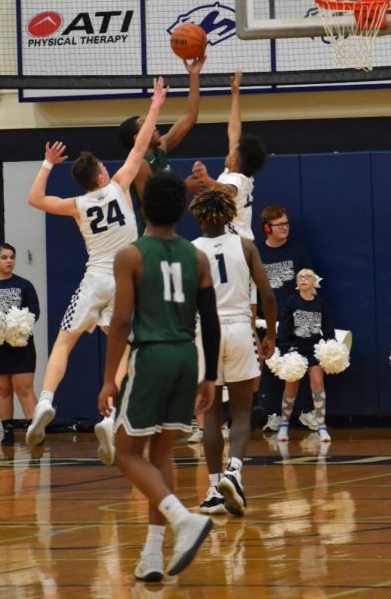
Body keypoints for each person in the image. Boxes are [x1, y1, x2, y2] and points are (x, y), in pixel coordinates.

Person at [25, 77, 168, 453]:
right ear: (102, 175)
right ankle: (109, 416)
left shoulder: (76, 206)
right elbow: (140, 143)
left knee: (64, 342)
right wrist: (155, 105)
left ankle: (45, 401)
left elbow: (35, 199)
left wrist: (46, 163)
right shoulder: (121, 184)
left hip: (95, 278)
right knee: (124, 350)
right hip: (127, 282)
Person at [98, 170, 221, 582]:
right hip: (188, 356)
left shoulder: (131, 255)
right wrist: (211, 376)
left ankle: (182, 519)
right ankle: (152, 555)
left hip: (150, 355)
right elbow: (212, 319)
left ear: (144, 207)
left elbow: (120, 320)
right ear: (180, 211)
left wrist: (108, 379)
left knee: (125, 451)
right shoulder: (197, 256)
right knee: (162, 452)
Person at [189, 189, 277, 517]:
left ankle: (214, 490)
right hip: (240, 328)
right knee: (241, 411)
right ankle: (234, 473)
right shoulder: (245, 246)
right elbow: (267, 293)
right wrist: (271, 333)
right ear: (229, 216)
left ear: (198, 217)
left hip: (204, 331)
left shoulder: (190, 249)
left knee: (209, 414)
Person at [118, 57, 205, 236]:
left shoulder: (161, 148)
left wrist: (194, 76)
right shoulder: (140, 165)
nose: (154, 126)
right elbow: (150, 206)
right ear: (138, 138)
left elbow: (190, 117)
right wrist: (183, 187)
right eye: (147, 125)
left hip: (167, 231)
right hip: (148, 235)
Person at [189, 71, 267, 239]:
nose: (231, 147)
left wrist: (207, 180)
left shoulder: (237, 180)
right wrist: (235, 94)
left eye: (233, 149)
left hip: (238, 242)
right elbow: (234, 131)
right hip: (236, 242)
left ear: (233, 160)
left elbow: (229, 191)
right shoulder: (236, 173)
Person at [257, 205, 315, 432]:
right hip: (266, 322)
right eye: (279, 225)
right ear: (266, 228)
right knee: (271, 371)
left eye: (286, 223)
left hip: (295, 319)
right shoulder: (257, 252)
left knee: (301, 365)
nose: (285, 228)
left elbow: (310, 280)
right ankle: (272, 414)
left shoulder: (297, 251)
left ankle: (305, 412)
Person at [0, 243, 40, 446]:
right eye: (5, 257)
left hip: (20, 346)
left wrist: (19, 328)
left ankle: (35, 430)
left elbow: (34, 311)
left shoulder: (25, 285)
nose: (9, 261)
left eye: (12, 257)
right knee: (3, 390)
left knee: (24, 388)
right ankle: (7, 431)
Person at [276, 268, 335, 444]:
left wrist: (329, 347)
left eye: (307, 277)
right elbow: (284, 327)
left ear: (314, 282)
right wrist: (286, 350)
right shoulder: (292, 301)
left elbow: (328, 326)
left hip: (314, 349)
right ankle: (284, 424)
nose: (303, 279)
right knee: (291, 386)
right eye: (300, 277)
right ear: (296, 282)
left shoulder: (321, 302)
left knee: (317, 383)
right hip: (295, 349)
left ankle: (321, 426)